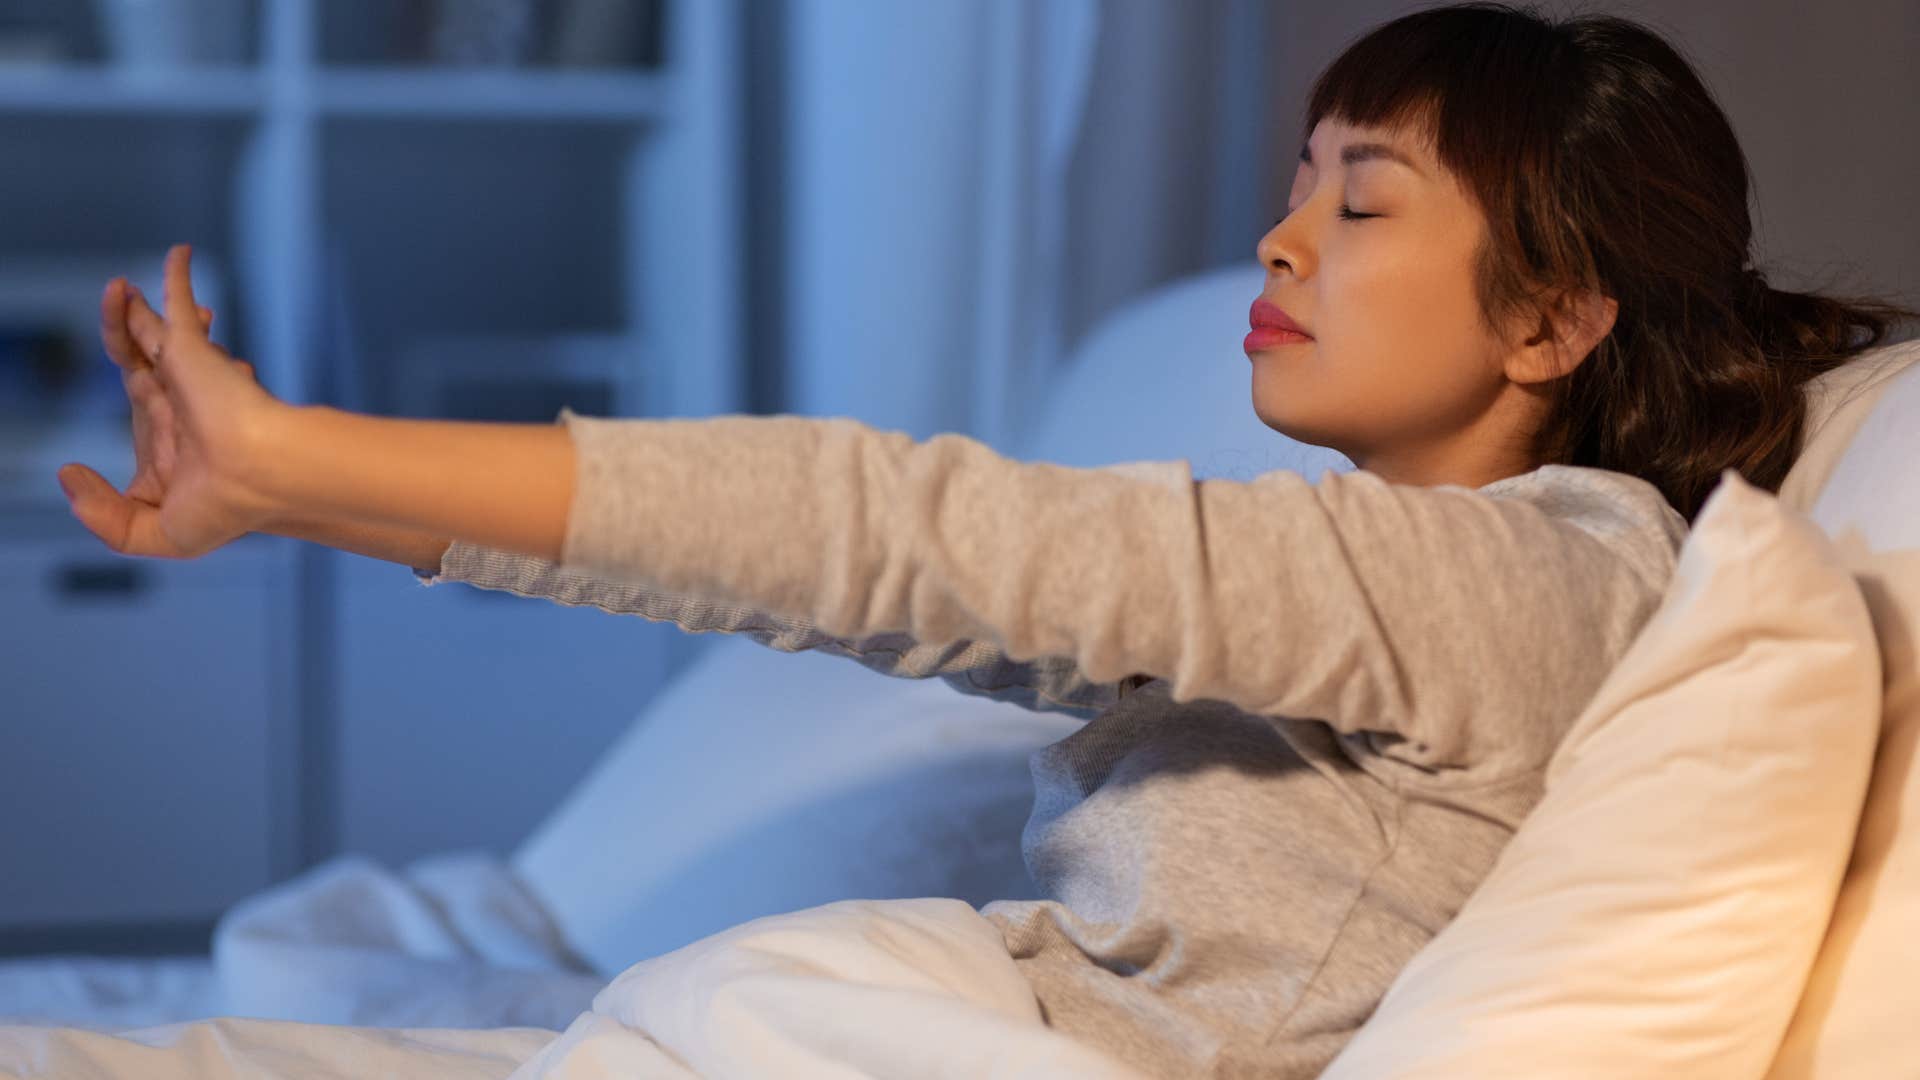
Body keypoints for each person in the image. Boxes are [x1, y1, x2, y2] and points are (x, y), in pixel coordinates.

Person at [49, 3, 1918, 1077]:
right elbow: (902, 598)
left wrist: (311, 463)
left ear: (1552, 320)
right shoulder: (1364, 567)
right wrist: (321, 491)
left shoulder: (1531, 572)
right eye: (1293, 185)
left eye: (1360, 203)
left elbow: (915, 543)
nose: (1280, 243)